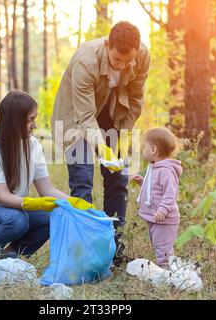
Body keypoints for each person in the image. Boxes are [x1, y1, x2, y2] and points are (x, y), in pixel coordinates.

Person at [0, 91, 93, 263]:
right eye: (30, 120)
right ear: (14, 122)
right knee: (17, 219)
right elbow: (2, 196)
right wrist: (32, 204)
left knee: (53, 216)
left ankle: (7, 258)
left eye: (35, 118)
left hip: (7, 212)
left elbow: (47, 189)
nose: (35, 125)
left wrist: (77, 205)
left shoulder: (33, 146)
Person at [51, 21, 150, 264]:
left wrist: (121, 138)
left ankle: (114, 250)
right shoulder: (86, 61)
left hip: (112, 113)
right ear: (108, 45)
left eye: (129, 61)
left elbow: (135, 99)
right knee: (83, 180)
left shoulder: (143, 56)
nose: (124, 66)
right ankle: (84, 253)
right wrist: (101, 147)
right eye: (118, 61)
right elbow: (85, 116)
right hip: (75, 117)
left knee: (118, 179)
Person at [130, 128, 182, 268]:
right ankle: (168, 269)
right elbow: (155, 188)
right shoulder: (155, 167)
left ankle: (167, 273)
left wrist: (163, 209)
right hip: (157, 218)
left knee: (163, 250)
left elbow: (170, 193)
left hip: (164, 219)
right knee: (159, 245)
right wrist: (142, 182)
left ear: (153, 149)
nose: (142, 150)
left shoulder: (165, 170)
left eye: (144, 146)